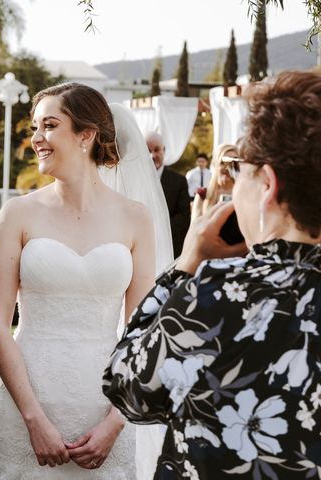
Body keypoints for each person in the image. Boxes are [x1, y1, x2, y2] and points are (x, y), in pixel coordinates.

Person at [103, 70, 321, 479]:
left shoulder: (219, 290)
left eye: (242, 171)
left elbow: (128, 387)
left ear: (267, 184)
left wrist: (186, 265)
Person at [0, 83, 169, 479]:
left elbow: (144, 332)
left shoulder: (135, 218)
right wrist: (33, 419)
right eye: (35, 127)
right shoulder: (17, 213)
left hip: (104, 408)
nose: (36, 139)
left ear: (86, 134)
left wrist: (116, 421)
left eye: (49, 125)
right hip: (27, 403)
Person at [146, 131, 190, 258]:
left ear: (164, 150)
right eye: (148, 151)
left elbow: (183, 215)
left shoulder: (179, 181)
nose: (152, 155)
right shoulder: (133, 179)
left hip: (170, 248)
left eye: (156, 150)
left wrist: (159, 230)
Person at [192, 143, 238, 220]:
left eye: (232, 163)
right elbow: (194, 229)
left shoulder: (246, 195)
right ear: (215, 165)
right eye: (223, 163)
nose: (227, 168)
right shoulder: (203, 194)